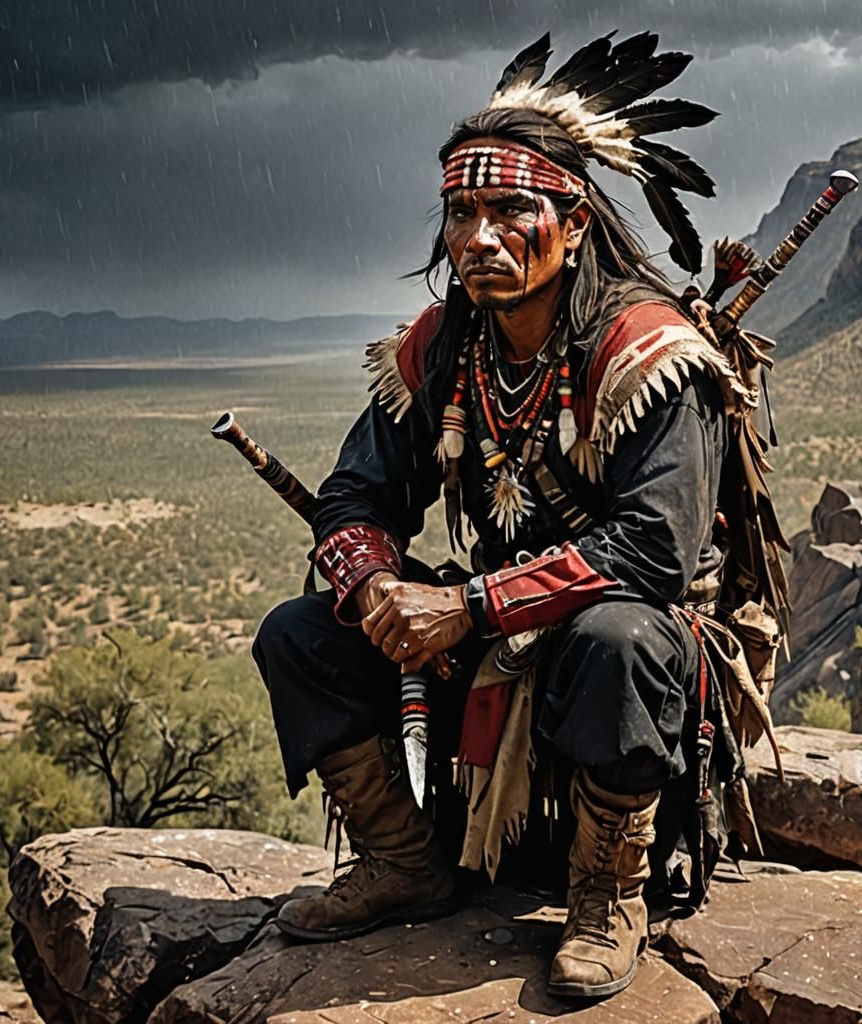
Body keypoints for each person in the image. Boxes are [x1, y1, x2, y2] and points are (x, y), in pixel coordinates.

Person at [252, 31, 787, 1000]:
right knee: (299, 633)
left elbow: (653, 551)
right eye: (460, 213)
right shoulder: (444, 349)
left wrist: (463, 607)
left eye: (509, 210)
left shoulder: (647, 351)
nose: (478, 238)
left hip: (627, 651)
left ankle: (606, 890)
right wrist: (376, 585)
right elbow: (353, 496)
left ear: (573, 222)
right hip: (497, 636)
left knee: (617, 634)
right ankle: (404, 860)